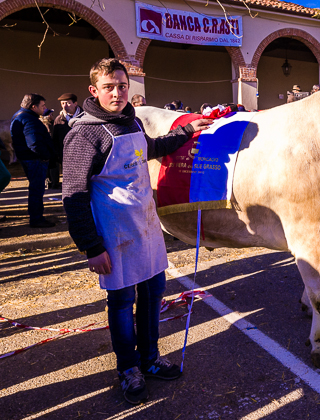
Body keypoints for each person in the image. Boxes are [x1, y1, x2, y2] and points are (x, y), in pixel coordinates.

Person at [62, 58, 212, 405]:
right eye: (109, 87)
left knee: (152, 296)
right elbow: (73, 195)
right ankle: (128, 368)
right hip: (115, 236)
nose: (117, 93)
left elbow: (153, 149)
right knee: (121, 302)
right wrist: (90, 246)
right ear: (94, 90)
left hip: (146, 230)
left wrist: (187, 131)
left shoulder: (129, 121)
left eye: (122, 86)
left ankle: (150, 358)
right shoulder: (83, 135)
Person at [9, 93, 57, 228]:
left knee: (36, 188)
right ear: (33, 106)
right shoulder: (29, 120)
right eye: (43, 105)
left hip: (28, 158)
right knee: (37, 189)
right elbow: (34, 143)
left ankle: (36, 216)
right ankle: (37, 219)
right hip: (34, 160)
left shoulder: (19, 115)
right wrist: (46, 156)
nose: (45, 108)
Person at [51, 93, 82, 189]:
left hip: (82, 153)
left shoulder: (84, 117)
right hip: (66, 154)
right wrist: (57, 154)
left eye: (68, 103)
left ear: (75, 103)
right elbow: (55, 139)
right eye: (62, 103)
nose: (65, 106)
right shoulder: (59, 119)